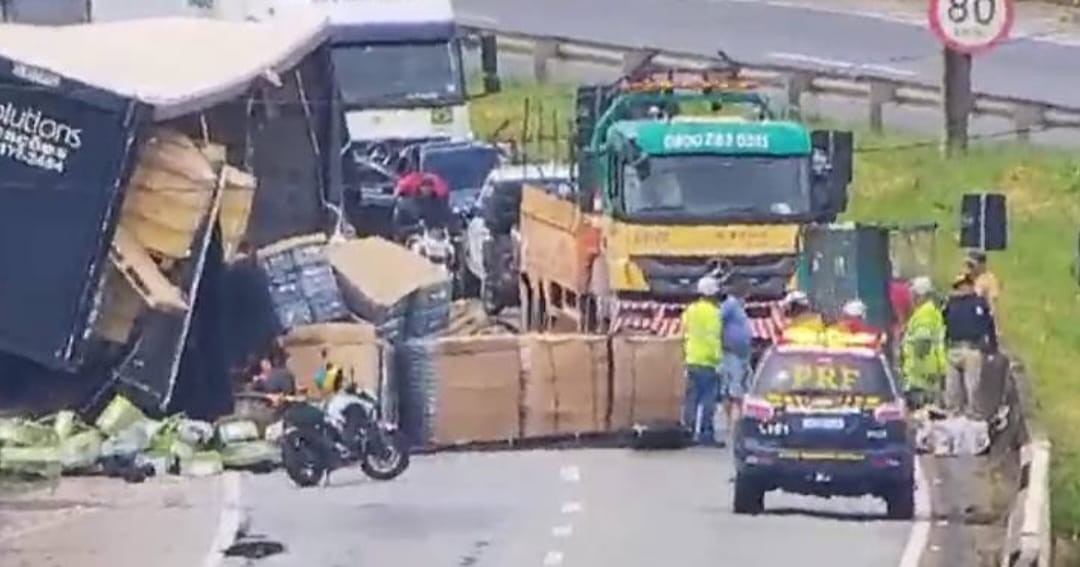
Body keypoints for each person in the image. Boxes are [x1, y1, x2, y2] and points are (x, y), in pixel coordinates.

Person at [942, 273, 998, 419]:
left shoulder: (978, 303)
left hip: (972, 348)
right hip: (953, 349)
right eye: (959, 286)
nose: (962, 289)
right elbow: (943, 326)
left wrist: (992, 347)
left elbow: (989, 324)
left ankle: (973, 419)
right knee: (952, 391)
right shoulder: (950, 304)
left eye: (964, 285)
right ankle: (954, 418)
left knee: (973, 390)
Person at [681, 276, 723, 446]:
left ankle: (688, 433)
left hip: (692, 359)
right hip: (708, 362)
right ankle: (706, 435)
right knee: (708, 400)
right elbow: (715, 338)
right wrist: (718, 360)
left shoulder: (690, 310)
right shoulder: (714, 313)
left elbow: (684, 330)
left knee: (691, 398)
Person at [901, 276, 947, 408]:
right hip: (928, 373)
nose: (911, 298)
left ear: (920, 295)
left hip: (920, 376)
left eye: (913, 294)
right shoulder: (930, 311)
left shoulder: (924, 314)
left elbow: (922, 343)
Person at [718, 277, 753, 443]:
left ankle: (735, 423)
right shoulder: (730, 305)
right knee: (734, 391)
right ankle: (733, 425)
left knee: (740, 389)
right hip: (732, 354)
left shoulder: (738, 306)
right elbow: (718, 320)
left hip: (741, 354)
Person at [392, 171, 453, 240]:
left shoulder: (438, 204)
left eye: (429, 185)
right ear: (419, 187)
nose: (427, 188)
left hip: (435, 238)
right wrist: (416, 228)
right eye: (424, 185)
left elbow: (445, 218)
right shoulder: (406, 205)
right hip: (414, 239)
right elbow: (399, 228)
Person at [964, 250, 1002, 321]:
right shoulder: (965, 278)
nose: (969, 268)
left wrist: (994, 328)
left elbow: (992, 305)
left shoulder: (990, 280)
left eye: (971, 266)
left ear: (982, 265)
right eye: (968, 265)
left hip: (981, 320)